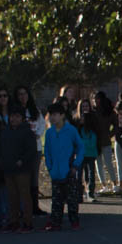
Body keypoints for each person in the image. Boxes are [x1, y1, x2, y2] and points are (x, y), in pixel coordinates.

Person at [41, 99, 83, 231]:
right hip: (56, 172)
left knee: (72, 199)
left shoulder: (71, 130)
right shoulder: (50, 133)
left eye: (55, 114)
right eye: (51, 114)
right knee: (56, 199)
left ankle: (74, 221)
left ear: (62, 115)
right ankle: (56, 222)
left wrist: (75, 165)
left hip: (69, 170)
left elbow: (81, 147)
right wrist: (50, 167)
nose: (52, 117)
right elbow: (47, 152)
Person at [0, 107, 38, 232]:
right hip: (8, 169)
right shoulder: (5, 131)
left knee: (25, 196)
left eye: (17, 116)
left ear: (22, 118)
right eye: (12, 116)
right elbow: (0, 149)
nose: (14, 119)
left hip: (23, 170)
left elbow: (31, 150)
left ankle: (27, 222)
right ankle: (13, 221)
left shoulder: (28, 132)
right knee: (12, 196)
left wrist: (22, 160)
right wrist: (2, 161)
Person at [14, 85, 45, 213]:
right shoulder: (15, 111)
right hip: (21, 150)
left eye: (25, 93)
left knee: (34, 177)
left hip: (35, 148)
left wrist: (37, 134)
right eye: (20, 94)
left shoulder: (35, 110)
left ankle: (35, 206)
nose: (23, 96)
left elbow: (42, 125)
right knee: (23, 178)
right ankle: (24, 207)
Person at [73, 99, 101, 202]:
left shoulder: (94, 118)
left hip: (91, 151)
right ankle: (79, 194)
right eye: (83, 106)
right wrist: (80, 124)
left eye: (87, 106)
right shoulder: (76, 119)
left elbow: (97, 133)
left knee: (91, 174)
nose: (85, 108)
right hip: (80, 152)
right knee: (78, 174)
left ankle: (90, 193)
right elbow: (74, 135)